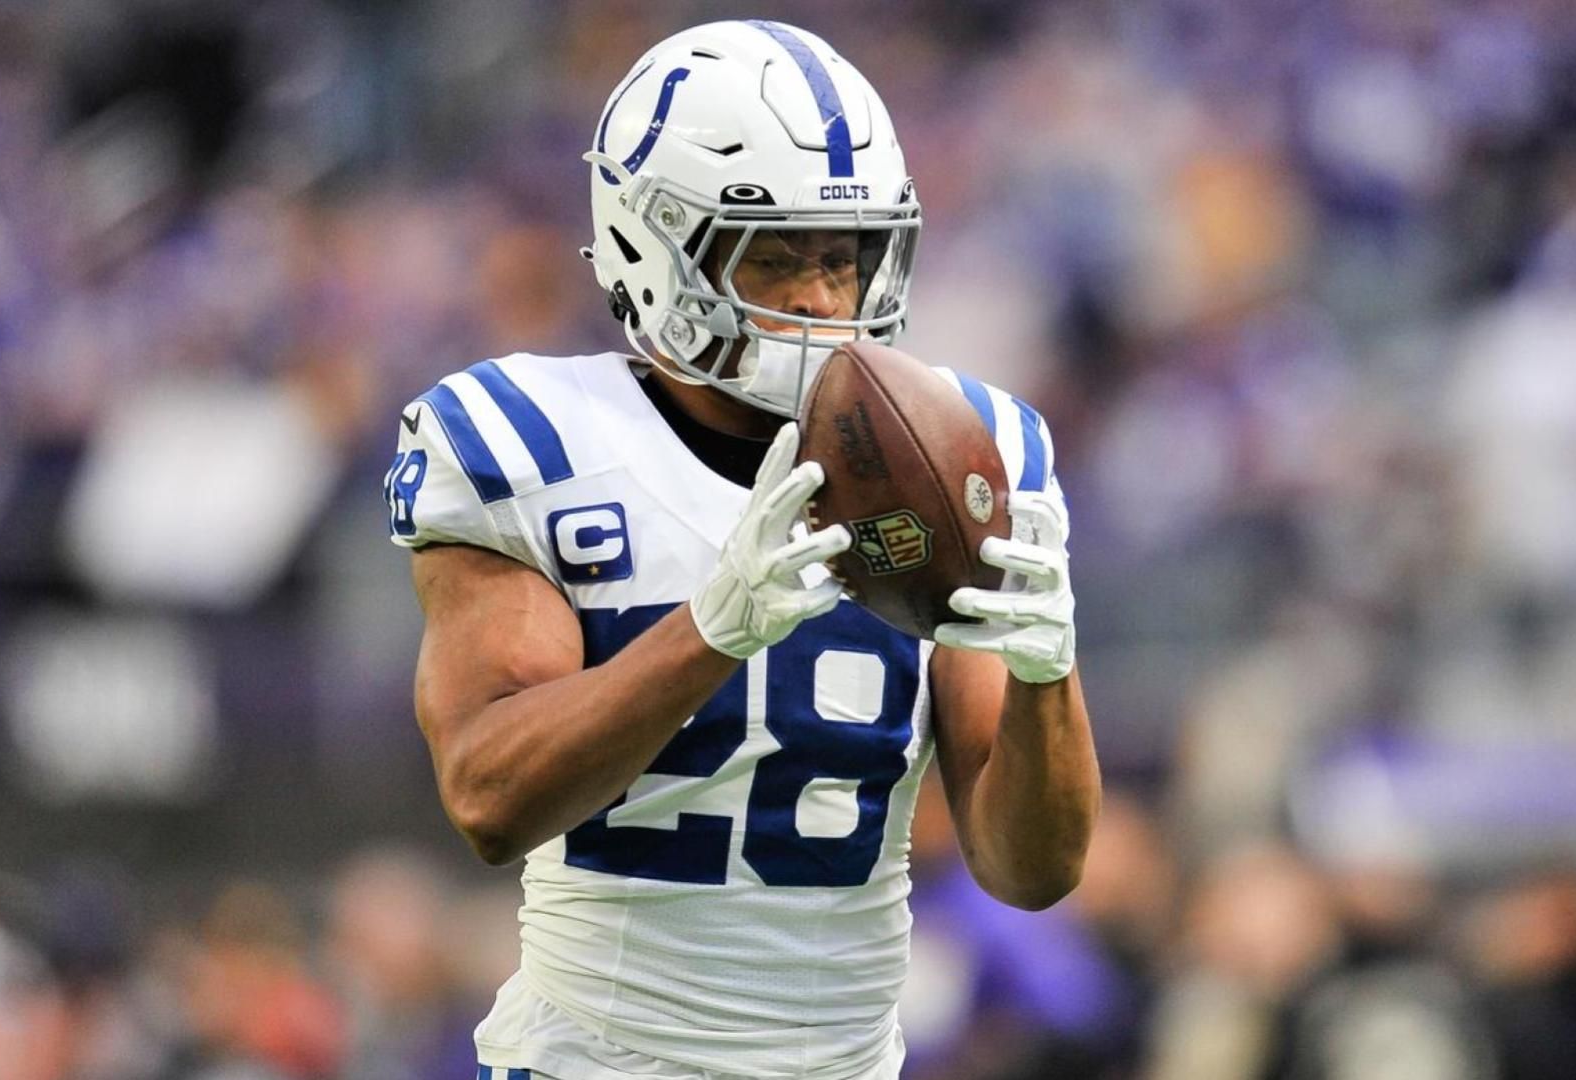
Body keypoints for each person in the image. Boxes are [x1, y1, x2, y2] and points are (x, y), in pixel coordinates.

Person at [381, 20, 1100, 1080]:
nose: (820, 298)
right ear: (651, 244)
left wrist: (1048, 679)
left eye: (843, 256)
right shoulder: (527, 437)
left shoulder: (969, 449)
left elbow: (1029, 870)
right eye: (774, 255)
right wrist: (713, 630)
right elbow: (490, 800)